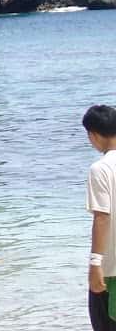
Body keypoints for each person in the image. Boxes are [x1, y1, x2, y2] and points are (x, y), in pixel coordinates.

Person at [84, 104, 116, 331]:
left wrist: (95, 264)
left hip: (112, 272)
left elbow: (102, 218)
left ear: (93, 134)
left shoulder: (101, 169)